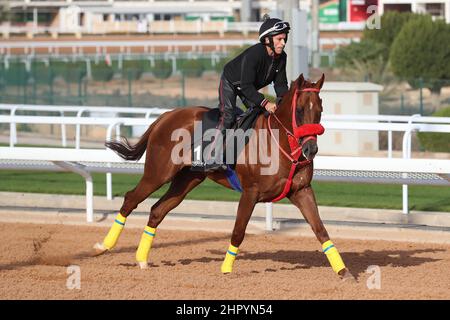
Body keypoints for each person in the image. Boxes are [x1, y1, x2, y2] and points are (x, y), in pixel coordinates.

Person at [203, 15, 290, 172]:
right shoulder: (255, 54)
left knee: (260, 115)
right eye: (279, 39)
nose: (283, 43)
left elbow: (281, 84)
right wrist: (266, 103)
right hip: (232, 81)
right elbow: (246, 86)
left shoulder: (282, 57)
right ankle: (210, 156)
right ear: (267, 39)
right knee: (228, 116)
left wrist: (285, 103)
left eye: (284, 39)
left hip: (248, 86)